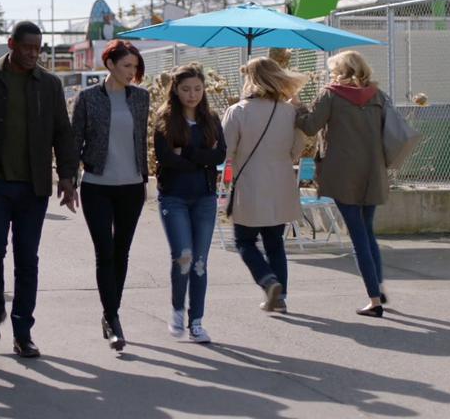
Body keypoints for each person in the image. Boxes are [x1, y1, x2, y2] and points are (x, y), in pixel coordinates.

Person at [0, 21, 78, 358]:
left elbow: (63, 131)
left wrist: (68, 176)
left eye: (38, 48)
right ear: (11, 44)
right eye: (27, 47)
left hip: (34, 187)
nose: (33, 54)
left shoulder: (49, 84)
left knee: (27, 259)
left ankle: (23, 332)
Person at [293, 51, 390, 317]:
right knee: (367, 232)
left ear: (340, 71)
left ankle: (374, 299)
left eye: (332, 69)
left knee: (358, 236)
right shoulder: (377, 95)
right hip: (373, 171)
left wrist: (298, 106)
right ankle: (378, 289)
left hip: (343, 171)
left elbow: (310, 126)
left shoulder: (331, 94)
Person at [71, 40, 149, 351]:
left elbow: (141, 140)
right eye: (127, 66)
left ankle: (109, 314)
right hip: (97, 186)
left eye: (135, 67)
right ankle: (113, 318)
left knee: (122, 252)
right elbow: (74, 139)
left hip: (132, 186)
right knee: (104, 252)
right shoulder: (88, 98)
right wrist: (68, 181)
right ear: (110, 65)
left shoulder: (141, 98)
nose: (132, 72)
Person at [222, 57, 307, 315]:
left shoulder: (238, 111)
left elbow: (225, 151)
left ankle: (268, 281)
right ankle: (280, 297)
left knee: (245, 241)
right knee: (274, 242)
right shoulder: (291, 112)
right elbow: (296, 151)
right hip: (281, 183)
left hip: (249, 183)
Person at [152, 63, 226, 344]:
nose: (192, 94)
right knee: (183, 256)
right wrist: (198, 157)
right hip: (174, 197)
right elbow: (166, 158)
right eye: (185, 89)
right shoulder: (165, 119)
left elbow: (219, 155)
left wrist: (190, 153)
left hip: (205, 198)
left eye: (197, 88)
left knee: (199, 262)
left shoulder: (212, 119)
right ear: (176, 90)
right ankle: (177, 311)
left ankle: (197, 321)